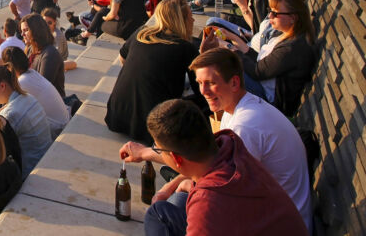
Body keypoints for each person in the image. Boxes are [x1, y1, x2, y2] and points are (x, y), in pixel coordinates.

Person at [121, 99, 308, 236]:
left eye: (159, 149)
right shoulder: (232, 145)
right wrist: (191, 184)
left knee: (159, 213)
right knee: (166, 207)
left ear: (177, 159)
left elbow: (213, 206)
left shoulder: (207, 204)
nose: (158, 153)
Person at [188, 48, 313, 231]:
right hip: (276, 215)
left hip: (276, 227)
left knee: (167, 212)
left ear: (234, 82)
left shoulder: (244, 127)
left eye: (211, 83)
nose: (203, 91)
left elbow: (221, 189)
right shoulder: (241, 106)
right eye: (199, 83)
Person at [105, 0, 198, 143]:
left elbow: (123, 58)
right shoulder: (185, 48)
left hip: (116, 117)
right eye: (190, 16)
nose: (193, 20)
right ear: (181, 20)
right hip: (151, 128)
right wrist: (204, 57)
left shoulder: (141, 34)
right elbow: (201, 90)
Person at [209, 0, 316, 116]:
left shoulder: (292, 48)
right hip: (263, 85)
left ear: (293, 18)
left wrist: (230, 48)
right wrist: (232, 37)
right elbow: (261, 61)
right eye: (270, 11)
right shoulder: (284, 35)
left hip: (271, 101)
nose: (270, 15)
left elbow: (257, 71)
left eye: (275, 13)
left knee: (225, 68)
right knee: (223, 65)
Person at [0, 64, 52, 178]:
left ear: (2, 86)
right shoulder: (28, 97)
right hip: (45, 156)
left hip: (30, 171)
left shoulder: (10, 115)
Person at [2, 47, 70, 139]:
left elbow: (11, 107)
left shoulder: (22, 82)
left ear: (9, 67)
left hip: (58, 128)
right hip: (63, 121)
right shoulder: (31, 73)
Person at [21, 13, 65, 97]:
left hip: (49, 104)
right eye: (22, 31)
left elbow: (40, 89)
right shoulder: (30, 49)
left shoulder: (50, 54)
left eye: (25, 30)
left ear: (36, 30)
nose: (22, 34)